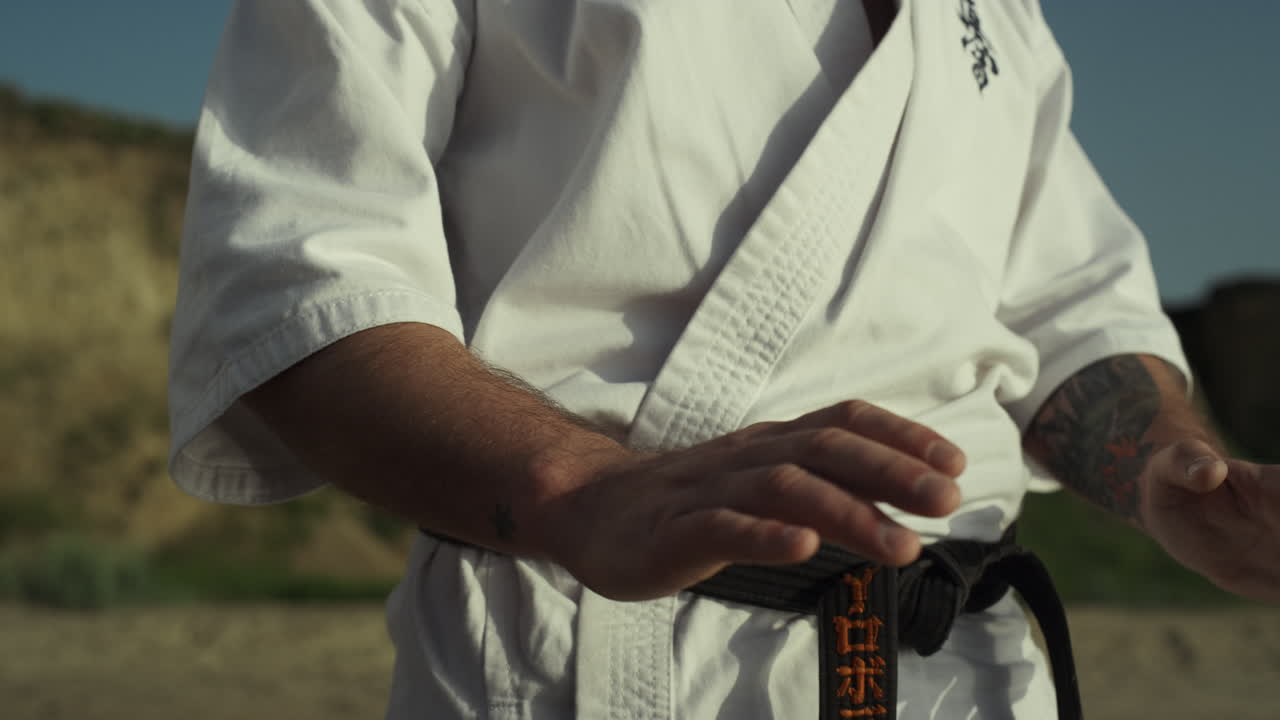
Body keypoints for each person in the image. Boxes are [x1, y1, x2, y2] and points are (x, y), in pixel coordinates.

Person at [167, 1, 1279, 718]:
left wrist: (1167, 473)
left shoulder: (992, 18)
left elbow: (1064, 304)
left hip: (966, 667)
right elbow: (297, 274)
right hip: (601, 656)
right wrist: (578, 485)